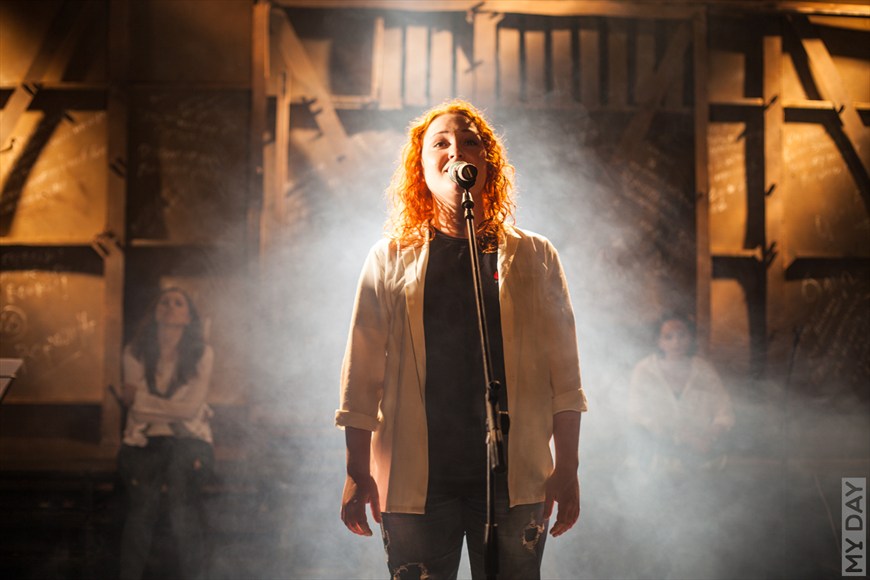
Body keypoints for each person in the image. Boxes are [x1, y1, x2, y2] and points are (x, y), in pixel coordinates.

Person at [336, 99, 588, 580]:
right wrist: (356, 470)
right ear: (421, 169)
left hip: (515, 481)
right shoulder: (389, 257)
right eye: (441, 143)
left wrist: (568, 467)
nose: (456, 151)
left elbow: (565, 373)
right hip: (417, 484)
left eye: (470, 142)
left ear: (487, 163)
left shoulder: (535, 256)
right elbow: (360, 374)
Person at [118, 287, 215, 580]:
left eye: (178, 303)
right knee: (140, 509)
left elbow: (189, 409)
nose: (170, 307)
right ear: (154, 312)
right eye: (164, 302)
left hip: (190, 441)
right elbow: (135, 410)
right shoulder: (134, 352)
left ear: (188, 317)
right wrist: (169, 409)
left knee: (183, 506)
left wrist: (146, 403)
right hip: (144, 440)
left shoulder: (202, 354)